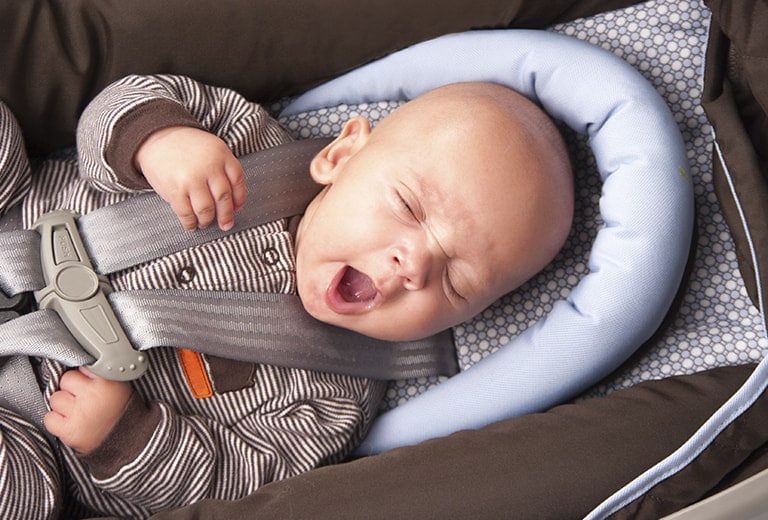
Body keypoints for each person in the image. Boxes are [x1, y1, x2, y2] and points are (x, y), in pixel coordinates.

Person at [0, 77, 572, 518]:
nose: (413, 264)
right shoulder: (245, 142)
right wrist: (159, 141)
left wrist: (121, 434)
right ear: (342, 156)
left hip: (28, 426)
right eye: (409, 208)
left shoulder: (331, 404)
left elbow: (227, 485)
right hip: (15, 220)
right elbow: (124, 101)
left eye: (454, 281)